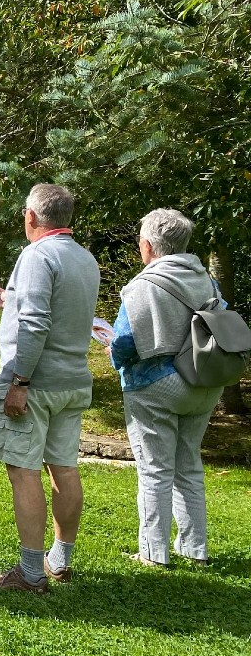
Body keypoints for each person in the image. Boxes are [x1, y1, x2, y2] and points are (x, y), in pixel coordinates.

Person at [0, 183, 99, 593]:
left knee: (24, 470)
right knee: (64, 466)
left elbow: (35, 324)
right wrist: (9, 298)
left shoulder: (36, 255)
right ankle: (59, 562)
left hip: (37, 384)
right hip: (73, 380)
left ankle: (30, 574)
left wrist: (19, 381)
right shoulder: (84, 258)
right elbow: (52, 309)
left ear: (31, 217)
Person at [109, 209, 225, 567]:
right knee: (187, 465)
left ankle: (153, 553)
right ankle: (194, 548)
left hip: (155, 385)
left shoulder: (142, 286)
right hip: (205, 383)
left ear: (148, 245)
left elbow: (124, 343)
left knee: (155, 470)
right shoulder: (207, 280)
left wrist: (108, 346)